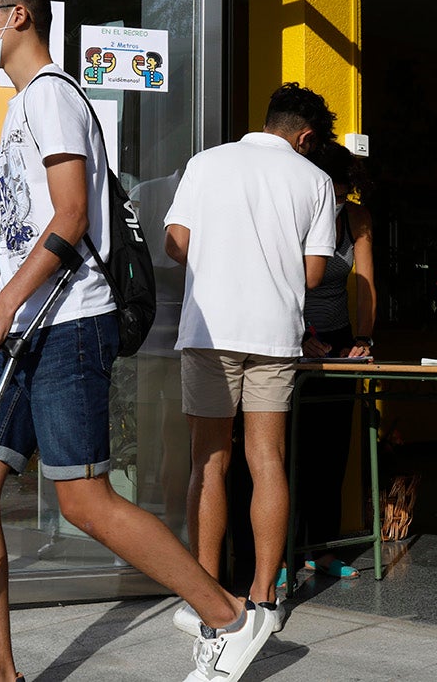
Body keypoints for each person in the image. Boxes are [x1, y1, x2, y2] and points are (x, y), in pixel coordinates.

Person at [0, 0, 272, 682]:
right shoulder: (20, 106)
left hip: (68, 324)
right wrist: (5, 322)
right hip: (25, 331)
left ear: (16, 16)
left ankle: (230, 616)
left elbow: (68, 219)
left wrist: (4, 305)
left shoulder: (52, 97)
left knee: (86, 500)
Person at [164, 83, 337, 637]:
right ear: (305, 136)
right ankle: (264, 595)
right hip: (275, 335)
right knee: (268, 461)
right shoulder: (315, 180)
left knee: (209, 463)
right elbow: (313, 275)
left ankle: (206, 593)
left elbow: (175, 242)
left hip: (210, 331)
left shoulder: (205, 162)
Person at [292, 140, 377, 582]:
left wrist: (362, 337)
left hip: (340, 340)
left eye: (343, 193)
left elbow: (363, 283)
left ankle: (320, 549)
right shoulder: (294, 211)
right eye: (332, 193)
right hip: (291, 339)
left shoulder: (356, 219)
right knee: (290, 451)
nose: (337, 201)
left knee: (333, 447)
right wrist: (299, 336)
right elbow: (281, 278)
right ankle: (284, 553)